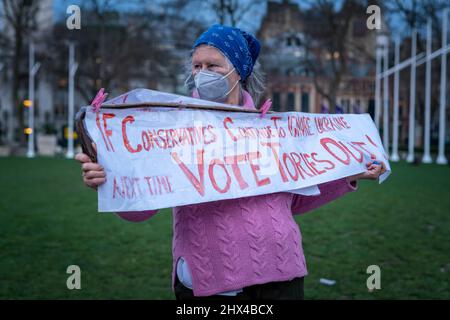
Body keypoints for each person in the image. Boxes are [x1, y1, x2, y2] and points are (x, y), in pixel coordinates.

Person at [75, 24, 385, 300]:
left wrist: (348, 174)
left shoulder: (272, 128)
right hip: (212, 279)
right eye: (197, 66)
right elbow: (141, 210)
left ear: (240, 71)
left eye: (213, 65)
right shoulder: (173, 128)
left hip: (282, 275)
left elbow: (294, 203)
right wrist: (110, 178)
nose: (202, 73)